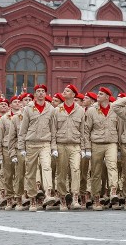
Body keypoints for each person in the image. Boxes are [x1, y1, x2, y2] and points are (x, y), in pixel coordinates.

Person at [17, 84, 56, 212]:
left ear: (46, 94)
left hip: (45, 142)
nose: (40, 93)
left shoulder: (50, 109)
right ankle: (32, 198)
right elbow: (23, 129)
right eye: (38, 91)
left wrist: (53, 147)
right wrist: (21, 147)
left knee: (46, 167)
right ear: (35, 94)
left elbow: (53, 129)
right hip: (31, 143)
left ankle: (48, 193)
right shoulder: (28, 109)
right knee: (30, 172)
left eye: (42, 91)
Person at [84, 87, 120, 211]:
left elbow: (119, 128)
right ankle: (96, 198)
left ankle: (113, 191)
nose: (98, 95)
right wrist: (87, 148)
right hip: (96, 143)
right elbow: (86, 130)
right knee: (96, 172)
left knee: (112, 166)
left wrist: (119, 145)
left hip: (111, 142)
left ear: (107, 97)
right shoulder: (91, 111)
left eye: (101, 94)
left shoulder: (115, 110)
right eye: (98, 94)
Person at [51, 84, 85, 211]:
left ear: (73, 95)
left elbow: (83, 131)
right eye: (64, 90)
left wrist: (84, 149)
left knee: (76, 169)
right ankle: (63, 199)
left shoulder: (80, 111)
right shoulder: (57, 110)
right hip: (60, 145)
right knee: (61, 173)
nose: (64, 92)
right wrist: (53, 147)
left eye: (67, 91)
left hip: (75, 145)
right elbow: (53, 130)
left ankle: (75, 197)